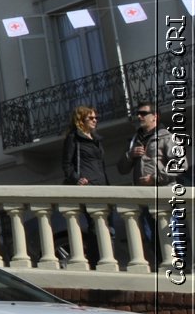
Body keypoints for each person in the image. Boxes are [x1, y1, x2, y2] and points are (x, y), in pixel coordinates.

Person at [119, 100, 187, 265]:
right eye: (138, 113)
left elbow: (181, 164)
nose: (139, 116)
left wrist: (154, 178)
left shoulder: (167, 137)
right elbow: (121, 169)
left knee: (171, 237)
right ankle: (162, 273)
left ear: (155, 116)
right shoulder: (134, 140)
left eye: (143, 113)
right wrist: (130, 155)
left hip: (164, 197)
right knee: (152, 239)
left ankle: (178, 274)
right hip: (144, 199)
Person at [61, 106, 108, 185]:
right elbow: (66, 164)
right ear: (81, 120)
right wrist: (77, 179)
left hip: (102, 184)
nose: (95, 120)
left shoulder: (96, 139)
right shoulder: (73, 137)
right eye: (91, 118)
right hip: (86, 184)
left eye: (96, 118)